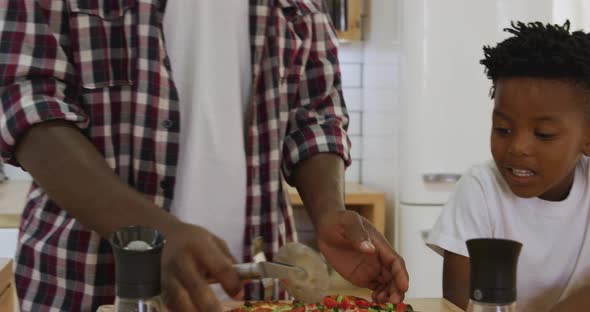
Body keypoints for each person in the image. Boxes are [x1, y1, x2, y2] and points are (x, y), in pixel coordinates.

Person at [0, 0, 409, 311]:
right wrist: (149, 232)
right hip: (90, 283)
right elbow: (25, 100)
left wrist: (329, 209)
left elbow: (316, 111)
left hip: (260, 291)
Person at [426, 20, 590, 312]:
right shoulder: (480, 191)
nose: (518, 148)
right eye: (503, 129)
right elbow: (457, 305)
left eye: (544, 134)